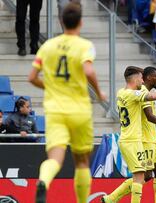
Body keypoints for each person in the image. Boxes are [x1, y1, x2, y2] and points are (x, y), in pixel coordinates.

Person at [28, 3, 106, 203]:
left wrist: (52, 87)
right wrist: (99, 93)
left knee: (54, 158)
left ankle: (43, 180)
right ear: (81, 22)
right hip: (79, 110)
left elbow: (32, 77)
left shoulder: (48, 46)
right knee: (81, 162)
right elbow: (88, 71)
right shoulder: (84, 46)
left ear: (61, 21)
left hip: (55, 111)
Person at [102, 67, 156, 203]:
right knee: (144, 176)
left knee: (155, 172)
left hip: (146, 137)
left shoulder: (124, 92)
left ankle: (111, 198)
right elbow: (149, 116)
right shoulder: (139, 93)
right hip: (139, 140)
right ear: (147, 78)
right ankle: (112, 197)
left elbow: (142, 119)